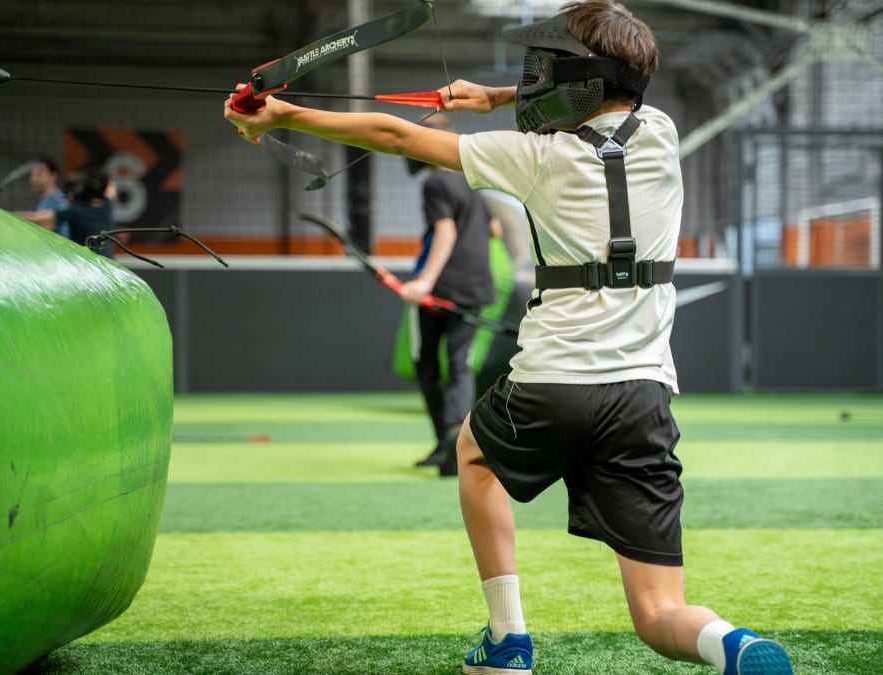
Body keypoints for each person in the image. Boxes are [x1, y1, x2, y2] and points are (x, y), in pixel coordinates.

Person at [224, 2, 794, 673]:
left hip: (552, 383)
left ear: (571, 78)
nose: (534, 78)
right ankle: (730, 644)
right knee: (659, 613)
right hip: (643, 398)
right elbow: (584, 98)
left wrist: (283, 114)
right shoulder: (662, 131)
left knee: (473, 451)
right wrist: (488, 96)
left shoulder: (533, 157)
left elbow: (398, 137)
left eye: (546, 67)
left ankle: (507, 639)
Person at [404, 113, 498, 474]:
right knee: (458, 366)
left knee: (428, 366)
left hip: (442, 290)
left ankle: (448, 441)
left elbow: (445, 232)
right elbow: (494, 230)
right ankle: (457, 445)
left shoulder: (435, 185)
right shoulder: (469, 183)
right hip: (475, 286)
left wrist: (425, 281)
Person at [17, 168, 115, 258]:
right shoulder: (106, 204)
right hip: (108, 265)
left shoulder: (75, 211)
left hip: (89, 266)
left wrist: (3, 214)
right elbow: (111, 188)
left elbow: (38, 217)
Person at [27, 155, 71, 239]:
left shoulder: (57, 201)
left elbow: (43, 225)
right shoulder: (49, 199)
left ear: (53, 176)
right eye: (33, 174)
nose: (34, 179)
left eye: (39, 174)